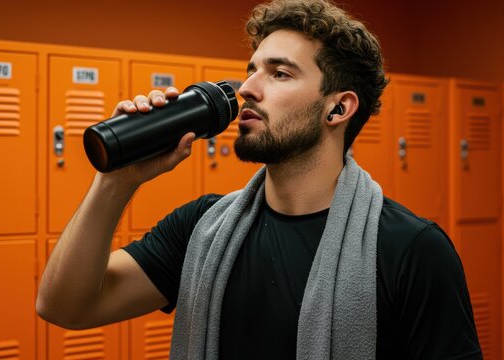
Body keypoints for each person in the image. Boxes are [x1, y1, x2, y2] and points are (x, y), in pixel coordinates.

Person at [37, 0, 482, 359]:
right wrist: (117, 181)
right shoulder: (201, 228)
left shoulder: (412, 249)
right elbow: (65, 306)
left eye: (280, 73)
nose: (247, 87)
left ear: (338, 109)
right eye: (252, 68)